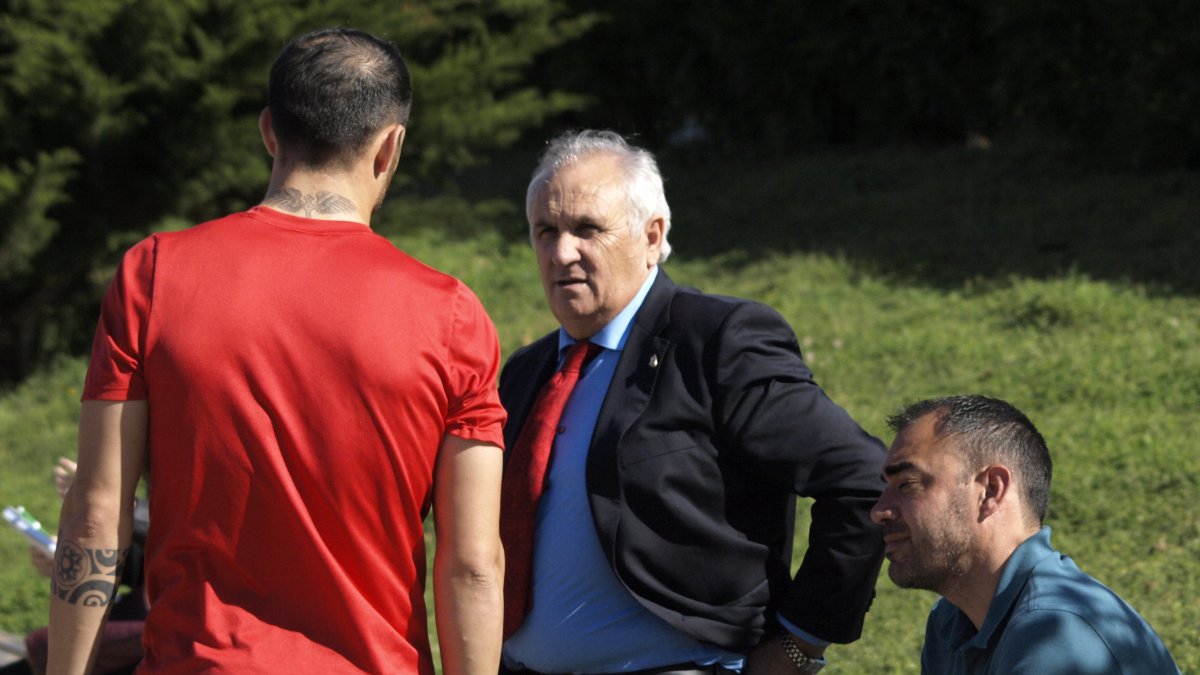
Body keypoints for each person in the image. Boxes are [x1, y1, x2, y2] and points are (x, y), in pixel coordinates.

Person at [48, 28, 506, 675]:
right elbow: (472, 564)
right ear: (390, 147)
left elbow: (96, 513)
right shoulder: (452, 316)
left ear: (269, 132)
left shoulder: (153, 275)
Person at [498, 129, 887, 674]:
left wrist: (802, 642)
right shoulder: (525, 372)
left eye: (588, 229)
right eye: (546, 231)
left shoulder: (716, 340)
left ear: (653, 236)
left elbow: (863, 477)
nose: (562, 252)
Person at [872, 394, 1180, 674]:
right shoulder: (952, 621)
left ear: (991, 490)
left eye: (908, 484)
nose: (879, 510)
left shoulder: (1055, 636)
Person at [2, 459, 146, 675]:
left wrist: (117, 504)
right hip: (144, 609)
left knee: (44, 648)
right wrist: (77, 563)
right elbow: (151, 566)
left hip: (166, 628)